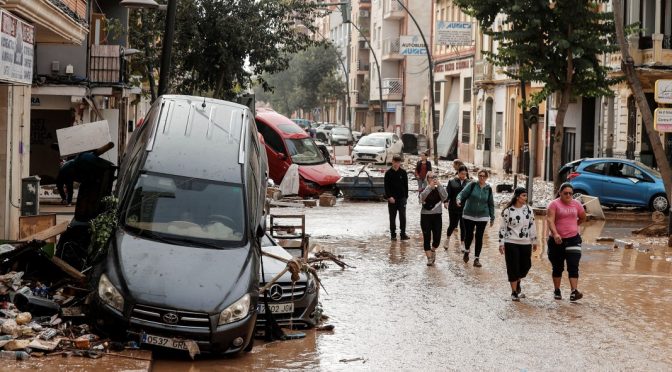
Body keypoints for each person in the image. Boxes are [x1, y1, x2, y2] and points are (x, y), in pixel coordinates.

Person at [547, 182, 587, 301]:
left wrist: (575, 225)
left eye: (570, 193)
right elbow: (550, 220)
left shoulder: (577, 204)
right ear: (560, 193)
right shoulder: (554, 204)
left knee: (573, 265)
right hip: (556, 241)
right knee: (557, 267)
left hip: (573, 239)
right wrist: (555, 234)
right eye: (565, 193)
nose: (568, 195)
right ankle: (557, 290)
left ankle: (574, 291)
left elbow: (583, 217)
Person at [498, 187, 538, 301]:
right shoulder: (508, 211)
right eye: (524, 195)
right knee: (512, 267)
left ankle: (518, 280)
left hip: (526, 243)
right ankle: (514, 292)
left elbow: (532, 226)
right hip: (511, 242)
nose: (526, 198)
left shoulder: (529, 210)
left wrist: (534, 241)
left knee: (526, 265)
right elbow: (502, 228)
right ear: (517, 196)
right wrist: (501, 243)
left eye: (526, 195)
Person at [456, 169, 495, 267]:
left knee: (479, 236)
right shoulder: (472, 185)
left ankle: (476, 258)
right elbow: (462, 194)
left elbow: (491, 203)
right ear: (478, 176)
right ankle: (467, 250)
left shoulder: (488, 189)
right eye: (480, 175)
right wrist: (458, 199)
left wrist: (492, 217)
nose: (482, 177)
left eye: (484, 176)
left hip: (483, 215)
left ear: (486, 177)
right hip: (469, 214)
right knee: (469, 235)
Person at [419, 171, 448, 266]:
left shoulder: (439, 188)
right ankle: (429, 258)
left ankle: (433, 249)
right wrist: (429, 188)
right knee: (426, 237)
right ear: (427, 179)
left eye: (435, 177)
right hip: (425, 216)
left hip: (437, 215)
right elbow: (421, 198)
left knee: (437, 239)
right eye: (431, 177)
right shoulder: (424, 188)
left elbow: (445, 197)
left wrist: (439, 186)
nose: (433, 179)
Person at [444, 165, 470, 251]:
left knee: (463, 226)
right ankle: (447, 239)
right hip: (453, 208)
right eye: (462, 174)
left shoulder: (469, 183)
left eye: (465, 174)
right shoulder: (452, 182)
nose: (463, 176)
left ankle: (462, 243)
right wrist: (446, 201)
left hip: (464, 208)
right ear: (458, 173)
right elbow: (448, 194)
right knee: (452, 225)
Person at [384, 155, 409, 241]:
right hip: (392, 199)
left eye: (398, 162)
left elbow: (406, 186)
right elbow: (386, 187)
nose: (397, 164)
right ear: (392, 161)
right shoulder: (388, 173)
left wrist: (406, 197)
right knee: (392, 217)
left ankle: (403, 234)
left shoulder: (403, 172)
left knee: (403, 217)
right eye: (395, 162)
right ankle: (393, 235)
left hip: (402, 198)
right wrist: (389, 197)